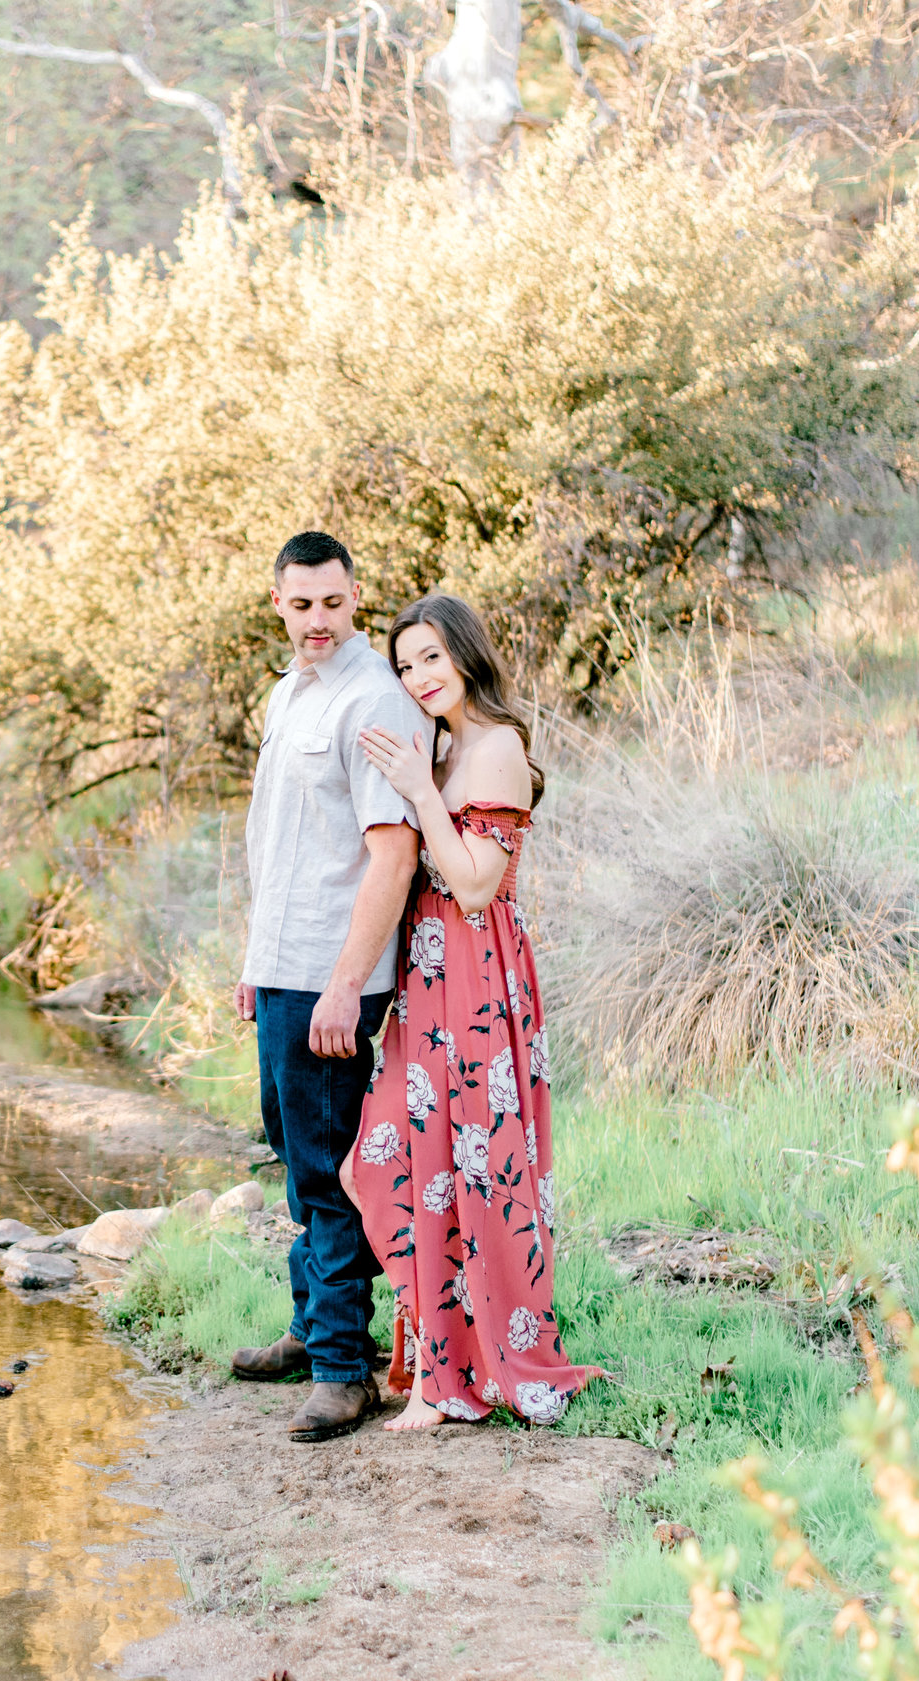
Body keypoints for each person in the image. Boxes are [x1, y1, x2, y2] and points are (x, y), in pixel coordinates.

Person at [341, 592, 602, 1428]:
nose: (417, 676)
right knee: (383, 1166)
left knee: (470, 1173)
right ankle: (441, 1366)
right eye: (404, 663)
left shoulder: (495, 751)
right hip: (426, 980)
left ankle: (447, 1382)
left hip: (477, 978)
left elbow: (477, 882)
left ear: (464, 652)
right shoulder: (446, 749)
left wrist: (419, 788)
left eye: (429, 656)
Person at [229, 530, 422, 1443]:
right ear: (278, 601)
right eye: (301, 604)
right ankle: (314, 1330)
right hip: (284, 962)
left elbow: (392, 857)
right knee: (291, 1145)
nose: (318, 620)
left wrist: (348, 985)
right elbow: (281, 841)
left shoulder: (373, 702)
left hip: (331, 975)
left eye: (334, 604)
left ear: (355, 598)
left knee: (329, 1163)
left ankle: (347, 1372)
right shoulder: (286, 693)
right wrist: (253, 960)